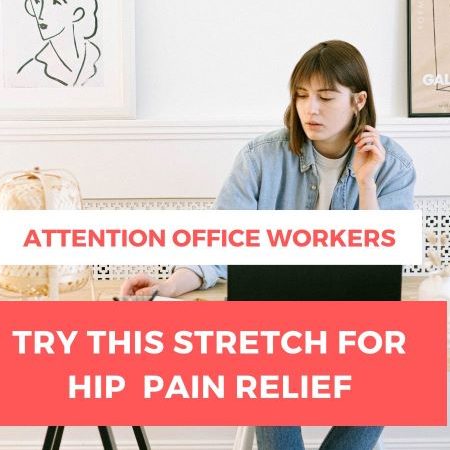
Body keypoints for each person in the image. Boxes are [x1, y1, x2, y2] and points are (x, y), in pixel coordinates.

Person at [121, 40, 416, 450]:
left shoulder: (392, 166)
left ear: (358, 100)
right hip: (275, 328)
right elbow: (219, 246)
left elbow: (384, 264)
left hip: (354, 328)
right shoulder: (261, 158)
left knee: (395, 367)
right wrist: (167, 288)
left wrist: (366, 184)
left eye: (326, 97)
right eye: (301, 96)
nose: (310, 109)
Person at [17, 0, 101, 87]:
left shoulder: (99, 59)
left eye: (55, 2)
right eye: (37, 1)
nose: (41, 15)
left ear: (77, 13)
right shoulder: (30, 72)